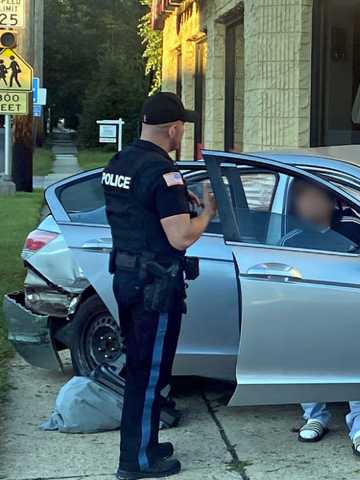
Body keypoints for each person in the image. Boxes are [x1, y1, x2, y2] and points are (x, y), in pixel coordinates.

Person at [102, 92, 217, 479]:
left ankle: (145, 445)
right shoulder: (164, 173)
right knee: (149, 375)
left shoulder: (120, 162)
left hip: (127, 278)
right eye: (181, 128)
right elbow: (181, 237)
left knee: (140, 368)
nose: (180, 135)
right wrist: (207, 216)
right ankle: (135, 463)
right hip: (155, 286)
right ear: (173, 129)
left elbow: (137, 217)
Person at [280, 180, 360, 458]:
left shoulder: (355, 227)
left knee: (355, 362)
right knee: (304, 354)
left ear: (328, 198)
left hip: (353, 313)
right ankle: (314, 415)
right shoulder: (293, 237)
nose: (305, 203)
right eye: (299, 197)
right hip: (311, 315)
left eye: (310, 196)